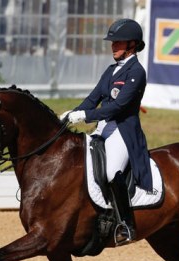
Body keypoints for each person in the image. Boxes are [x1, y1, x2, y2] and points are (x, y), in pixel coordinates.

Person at [60, 18, 152, 246]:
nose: (113, 46)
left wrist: (85, 117)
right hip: (103, 127)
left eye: (118, 43)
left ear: (132, 44)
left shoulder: (136, 72)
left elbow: (118, 107)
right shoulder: (111, 71)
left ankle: (126, 225)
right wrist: (72, 114)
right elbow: (93, 99)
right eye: (112, 42)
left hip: (123, 130)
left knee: (111, 171)